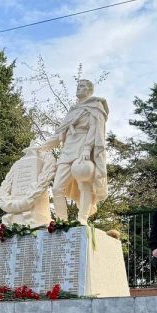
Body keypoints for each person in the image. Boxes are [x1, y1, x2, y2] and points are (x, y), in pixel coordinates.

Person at [40, 79, 109, 224]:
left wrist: (87, 148)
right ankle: (61, 221)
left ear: (89, 90)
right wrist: (41, 147)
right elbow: (59, 134)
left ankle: (82, 218)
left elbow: (95, 129)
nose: (78, 88)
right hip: (68, 150)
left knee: (85, 184)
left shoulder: (95, 106)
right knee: (57, 187)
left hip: (84, 148)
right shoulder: (73, 110)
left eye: (82, 86)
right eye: (78, 86)